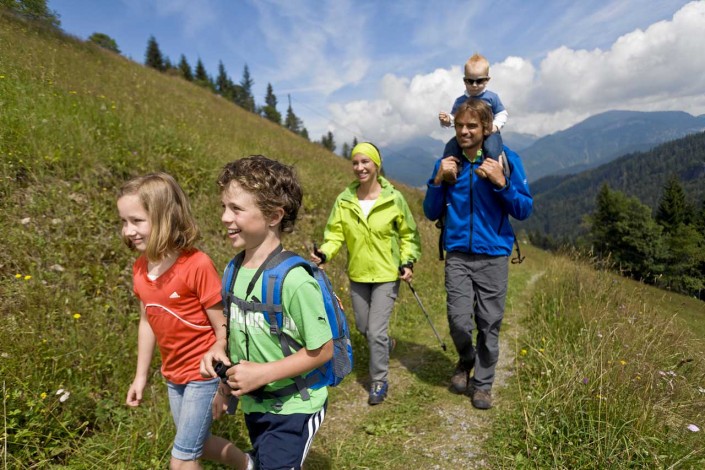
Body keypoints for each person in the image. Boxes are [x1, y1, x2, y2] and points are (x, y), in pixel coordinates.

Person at [200, 156, 333, 470]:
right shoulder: (233, 269)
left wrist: (263, 373)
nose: (224, 217)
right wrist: (220, 358)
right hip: (255, 402)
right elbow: (235, 332)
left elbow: (323, 350)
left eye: (236, 209)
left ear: (274, 215)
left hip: (294, 406)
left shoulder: (295, 280)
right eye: (223, 206)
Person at [117, 172, 250, 470]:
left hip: (201, 375)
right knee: (197, 444)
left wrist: (222, 384)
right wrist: (140, 376)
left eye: (137, 221)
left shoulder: (196, 265)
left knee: (182, 459)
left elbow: (223, 328)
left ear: (164, 217)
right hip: (172, 374)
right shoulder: (140, 268)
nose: (128, 230)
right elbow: (147, 321)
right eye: (124, 222)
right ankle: (251, 464)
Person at [423, 99, 532, 410]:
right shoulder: (447, 162)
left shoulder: (505, 159)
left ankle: (482, 384)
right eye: (459, 126)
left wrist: (501, 183)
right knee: (459, 321)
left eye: (471, 126)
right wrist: (437, 181)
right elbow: (431, 211)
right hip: (457, 252)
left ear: (486, 128)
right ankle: (466, 358)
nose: (464, 132)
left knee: (489, 322)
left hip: (494, 254)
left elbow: (524, 209)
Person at [311, 142, 422, 406]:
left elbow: (409, 234)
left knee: (375, 330)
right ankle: (385, 343)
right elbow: (335, 234)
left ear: (376, 164)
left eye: (365, 162)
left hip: (386, 274)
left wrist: (407, 261)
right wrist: (325, 253)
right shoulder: (345, 200)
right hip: (358, 274)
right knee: (364, 327)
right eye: (355, 162)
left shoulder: (394, 198)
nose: (360, 167)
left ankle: (379, 380)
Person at [438, 53, 508, 160]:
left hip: (490, 134)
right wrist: (447, 120)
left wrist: (495, 126)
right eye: (470, 81)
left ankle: (490, 168)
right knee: (450, 147)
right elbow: (456, 119)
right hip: (467, 136)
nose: (474, 85)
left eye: (479, 81)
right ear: (464, 80)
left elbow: (502, 113)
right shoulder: (460, 101)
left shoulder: (492, 97)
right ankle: (451, 169)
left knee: (492, 148)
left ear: (487, 80)